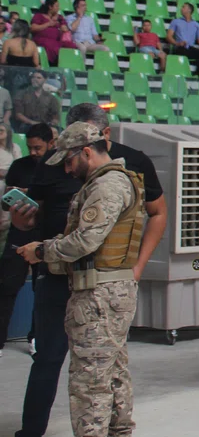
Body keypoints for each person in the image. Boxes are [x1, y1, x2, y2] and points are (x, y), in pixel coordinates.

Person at [11, 103, 165, 437]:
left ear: (86, 152)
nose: (66, 170)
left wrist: (40, 250)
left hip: (97, 293)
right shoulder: (111, 179)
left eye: (69, 161)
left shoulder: (106, 185)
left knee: (89, 382)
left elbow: (84, 241)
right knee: (112, 372)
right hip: (101, 290)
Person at [0, 123, 53, 358]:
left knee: (41, 290)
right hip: (18, 234)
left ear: (50, 144)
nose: (33, 152)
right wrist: (13, 194)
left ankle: (35, 337)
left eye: (38, 148)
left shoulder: (57, 168)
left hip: (44, 235)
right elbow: (4, 202)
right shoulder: (19, 166)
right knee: (7, 286)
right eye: (30, 147)